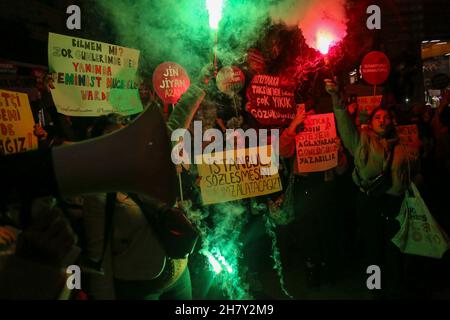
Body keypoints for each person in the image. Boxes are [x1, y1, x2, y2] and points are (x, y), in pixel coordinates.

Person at [325, 78, 419, 298]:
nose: (383, 121)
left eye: (387, 117)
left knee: (395, 248)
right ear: (372, 121)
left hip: (396, 205)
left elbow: (410, 174)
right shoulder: (360, 141)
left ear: (392, 121)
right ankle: (374, 289)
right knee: (373, 250)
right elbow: (344, 120)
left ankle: (395, 289)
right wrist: (336, 97)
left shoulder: (402, 145)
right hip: (370, 203)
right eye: (378, 117)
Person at [82, 114, 192, 300]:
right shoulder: (98, 194)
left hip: (179, 276)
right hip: (141, 287)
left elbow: (175, 124)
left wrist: (199, 86)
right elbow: (99, 258)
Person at [278, 104, 348, 288]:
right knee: (306, 230)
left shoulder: (330, 137)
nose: (311, 122)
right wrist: (293, 127)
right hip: (304, 188)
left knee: (327, 228)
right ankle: (311, 266)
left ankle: (326, 266)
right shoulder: (296, 135)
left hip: (325, 187)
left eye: (314, 118)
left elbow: (341, 170)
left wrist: (338, 152)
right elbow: (282, 151)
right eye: (306, 118)